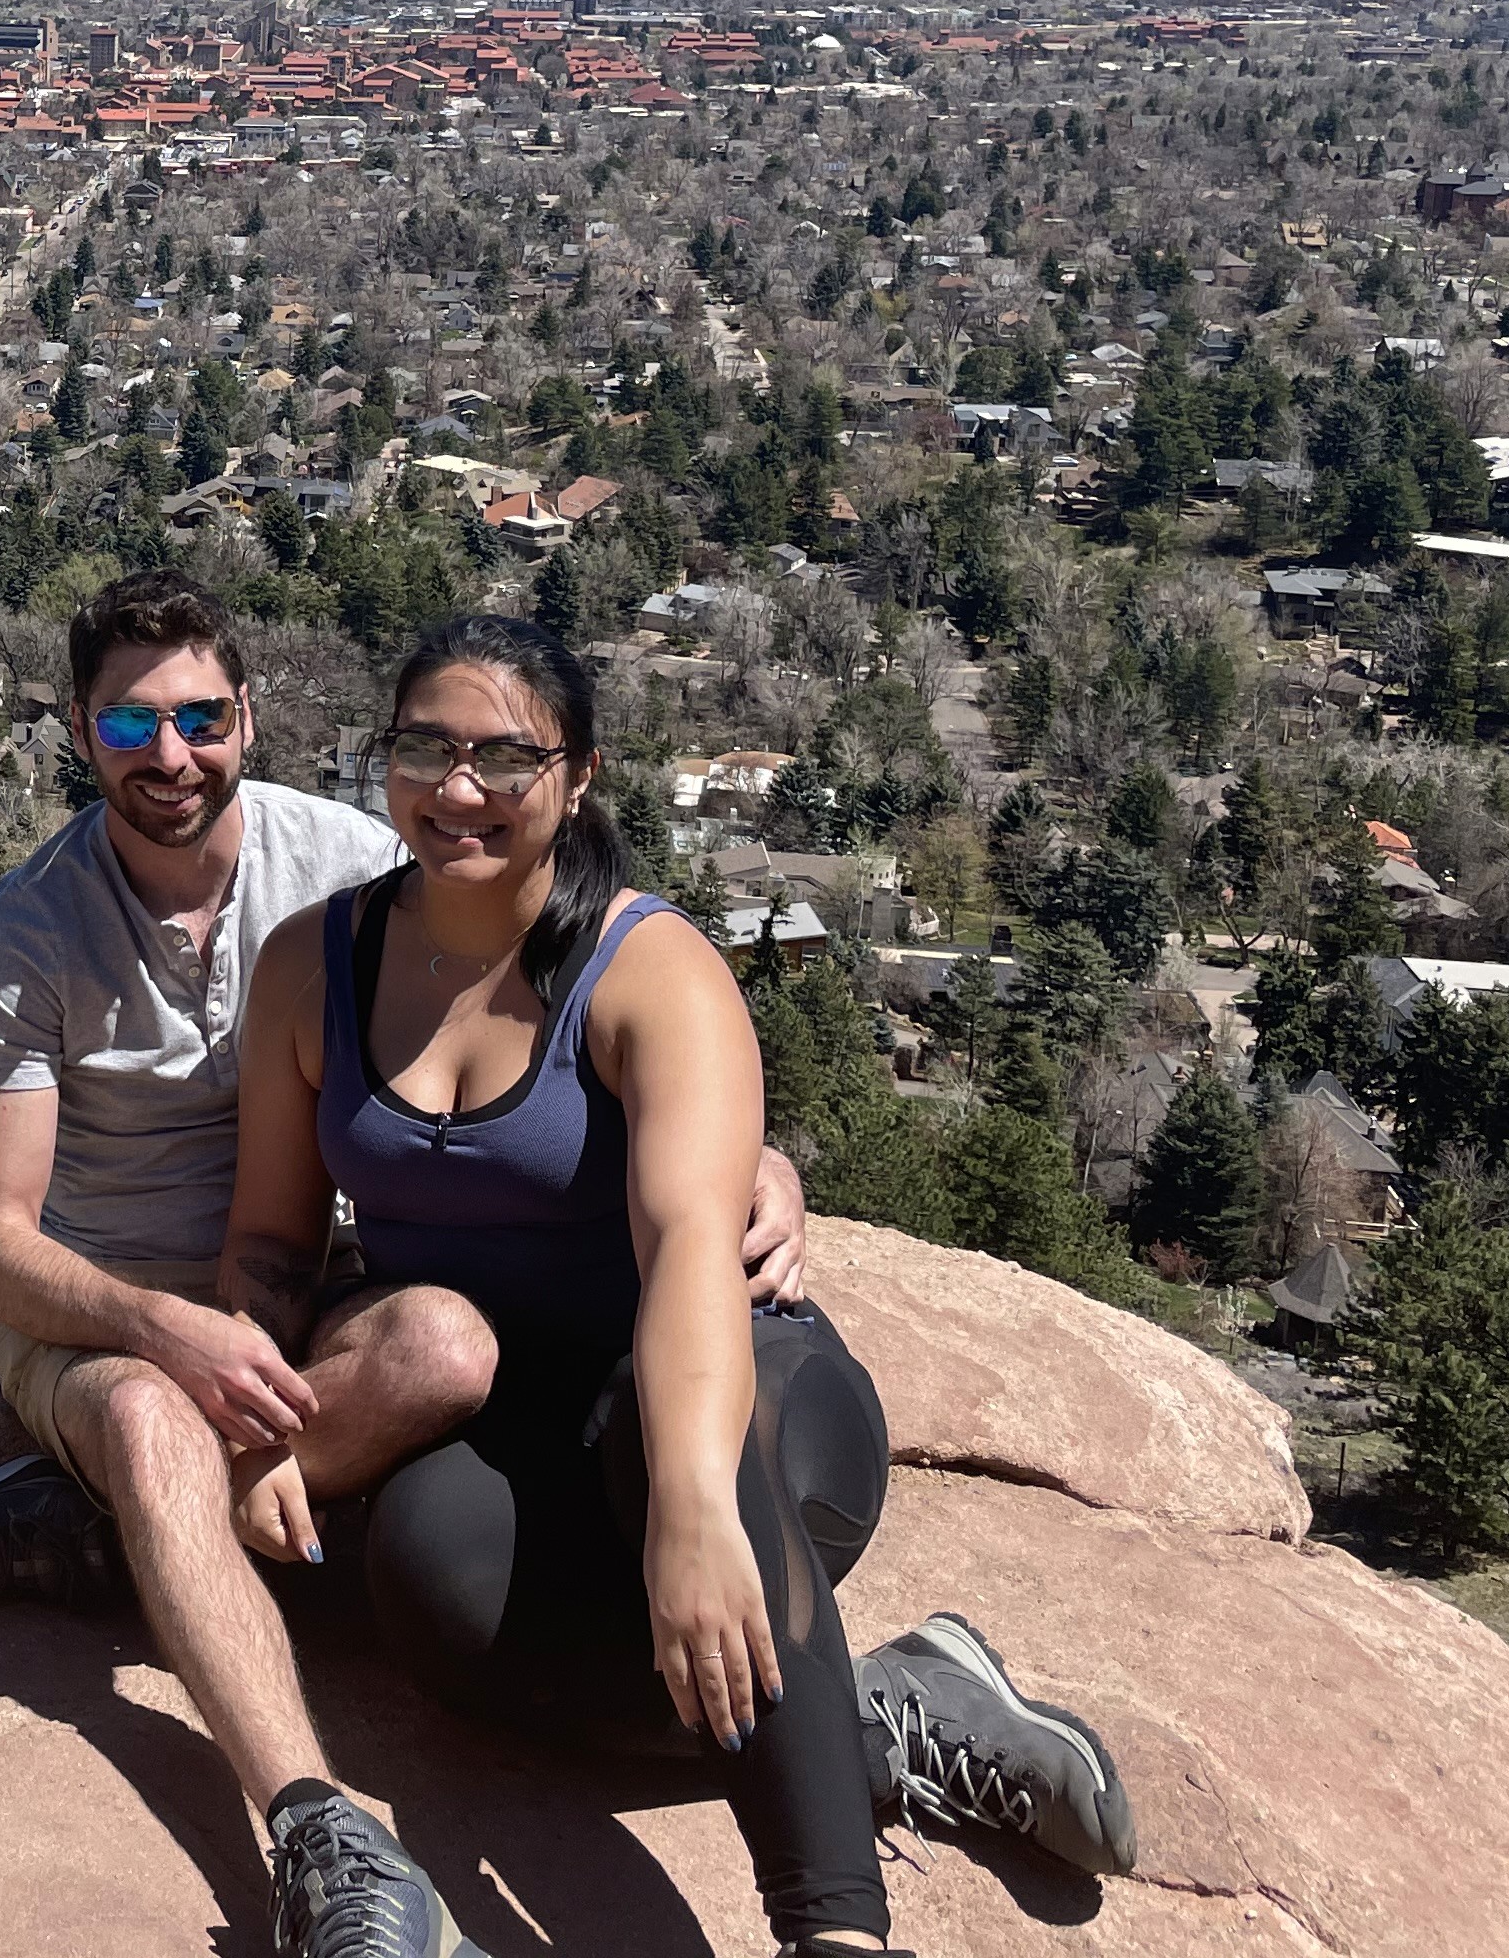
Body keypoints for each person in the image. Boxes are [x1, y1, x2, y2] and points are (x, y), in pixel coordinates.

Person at [0, 570, 809, 1958]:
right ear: (76, 731)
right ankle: (319, 1831)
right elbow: (1, 1249)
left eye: (200, 717)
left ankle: (95, 1536)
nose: (169, 758)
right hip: (96, 1313)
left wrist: (738, 1162)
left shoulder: (352, 865)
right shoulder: (30, 927)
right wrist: (164, 1335)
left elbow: (587, 974)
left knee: (449, 1346)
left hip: (301, 1297)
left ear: (252, 713)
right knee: (146, 1419)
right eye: (128, 727)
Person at [218, 610, 1134, 1958]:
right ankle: (883, 1711)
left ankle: (834, 1927)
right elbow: (272, 1245)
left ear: (577, 778)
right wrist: (252, 1417)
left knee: (687, 1484)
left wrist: (697, 1509)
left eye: (503, 758)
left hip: (737, 1389)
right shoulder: (318, 962)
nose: (457, 789)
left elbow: (696, 1253)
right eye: (424, 747)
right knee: (430, 1600)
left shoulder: (651, 972)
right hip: (516, 1430)